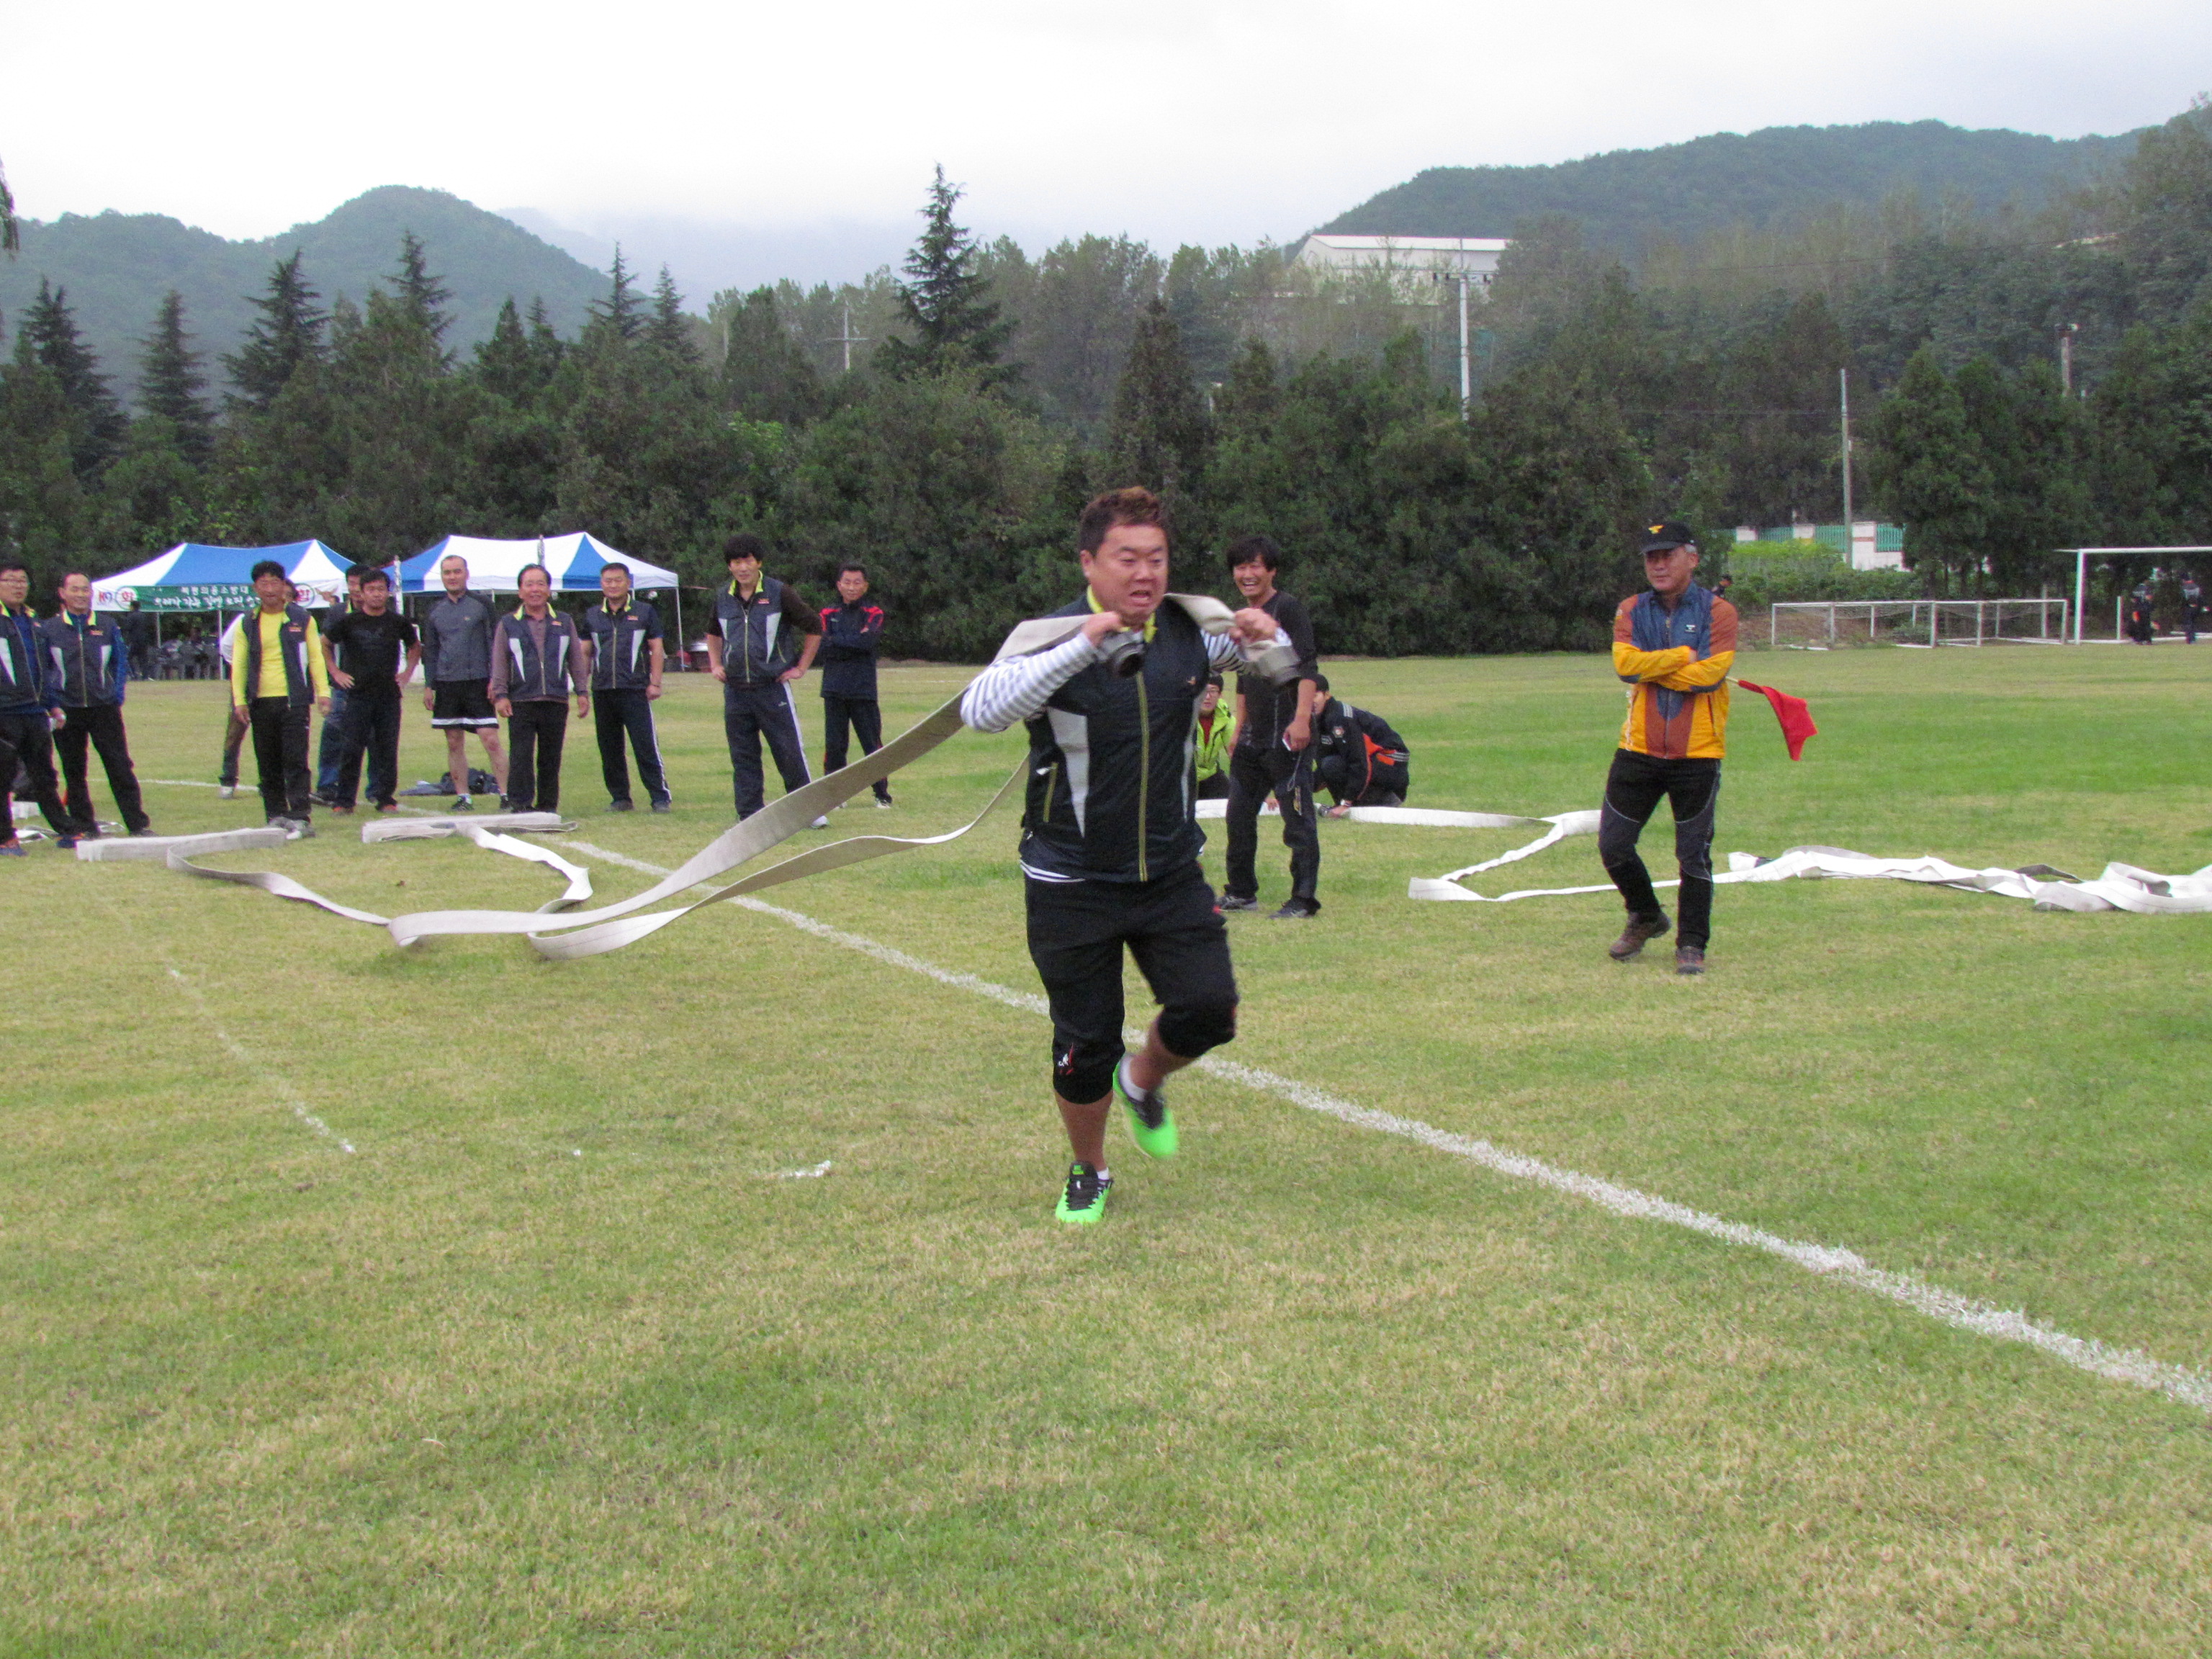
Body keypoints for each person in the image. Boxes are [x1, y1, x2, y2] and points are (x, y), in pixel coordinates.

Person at [959, 486, 1290, 1225]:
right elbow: (980, 711)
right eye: (1127, 559)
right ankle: (1090, 1167)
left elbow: (1274, 663)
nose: (1145, 574)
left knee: (1210, 1010)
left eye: (1157, 559)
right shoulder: (1049, 634)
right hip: (1070, 878)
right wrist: (1083, 644)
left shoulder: (1188, 630)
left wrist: (1263, 635)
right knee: (1084, 1045)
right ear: (1090, 563)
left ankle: (1142, 1081)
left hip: (1169, 872)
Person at [1600, 521, 1738, 976]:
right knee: (1614, 846)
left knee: (1692, 855)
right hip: (1637, 749)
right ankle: (1645, 915)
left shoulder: (1719, 612)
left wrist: (1652, 667)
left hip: (1698, 753)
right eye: (1651, 557)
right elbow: (1625, 667)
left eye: (1668, 555)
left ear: (1692, 559)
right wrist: (1681, 655)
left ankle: (1692, 944)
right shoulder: (1631, 609)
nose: (1658, 565)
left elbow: (1710, 676)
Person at [1219, 534, 1322, 919]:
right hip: (1253, 737)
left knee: (1297, 820)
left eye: (1255, 566)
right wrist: (1238, 728)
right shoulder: (1243, 617)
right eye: (1240, 567)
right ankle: (1240, 892)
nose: (1247, 574)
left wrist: (1301, 719)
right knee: (1238, 816)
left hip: (1288, 733)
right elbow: (1244, 677)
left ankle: (1303, 900)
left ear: (1271, 570)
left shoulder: (1287, 609)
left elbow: (1307, 667)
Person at [706, 533, 824, 824]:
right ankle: (750, 815)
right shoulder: (723, 596)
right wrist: (715, 663)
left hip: (772, 688)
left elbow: (814, 626)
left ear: (758, 562)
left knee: (788, 751)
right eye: (736, 562)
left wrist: (801, 668)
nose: (742, 567)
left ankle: (807, 812)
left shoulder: (779, 592)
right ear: (729, 566)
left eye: (747, 561)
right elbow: (713, 632)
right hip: (736, 690)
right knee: (743, 755)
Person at [40, 572, 150, 839]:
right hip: (67, 710)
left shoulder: (107, 625)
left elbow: (120, 662)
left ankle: (137, 824)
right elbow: (43, 669)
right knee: (74, 770)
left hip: (104, 708)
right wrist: (52, 703)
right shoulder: (49, 629)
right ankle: (84, 826)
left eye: (85, 589)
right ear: (62, 593)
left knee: (119, 765)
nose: (81, 594)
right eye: (75, 589)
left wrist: (116, 695)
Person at [229, 559, 331, 836]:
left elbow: (315, 657)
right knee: (268, 761)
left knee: (295, 759)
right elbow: (239, 663)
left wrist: (323, 692)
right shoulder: (247, 622)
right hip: (261, 701)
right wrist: (239, 700)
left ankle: (300, 814)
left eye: (275, 582)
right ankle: (275, 814)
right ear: (255, 588)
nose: (270, 589)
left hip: (293, 700)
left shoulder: (301, 618)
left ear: (284, 585)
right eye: (264, 584)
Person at [490, 565, 591, 814]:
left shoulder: (564, 621)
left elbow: (576, 658)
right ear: (520, 591)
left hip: (555, 699)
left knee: (551, 757)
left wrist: (582, 692)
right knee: (521, 755)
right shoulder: (508, 623)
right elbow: (499, 661)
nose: (535, 589)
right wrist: (501, 695)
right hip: (521, 699)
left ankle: (547, 805)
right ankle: (520, 804)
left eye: (540, 584)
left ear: (549, 589)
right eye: (529, 584)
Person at [320, 566, 421, 813]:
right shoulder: (349, 621)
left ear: (388, 592)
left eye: (381, 589)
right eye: (371, 590)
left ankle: (385, 798)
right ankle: (344, 801)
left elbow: (415, 646)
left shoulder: (397, 622)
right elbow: (325, 643)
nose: (377, 594)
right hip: (357, 695)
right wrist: (335, 672)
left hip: (388, 695)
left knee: (387, 748)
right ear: (362, 593)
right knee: (351, 749)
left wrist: (407, 672)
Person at [419, 554, 508, 809]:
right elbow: (431, 649)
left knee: (490, 739)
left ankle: (506, 795)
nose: (452, 577)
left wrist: (495, 679)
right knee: (453, 741)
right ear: (442, 576)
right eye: (447, 572)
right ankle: (463, 797)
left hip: (479, 681)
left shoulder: (482, 605)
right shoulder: (435, 610)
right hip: (447, 683)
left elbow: (496, 644)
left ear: (466, 574)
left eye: (457, 571)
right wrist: (429, 685)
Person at [583, 562, 671, 812]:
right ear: (601, 584)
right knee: (609, 748)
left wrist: (655, 682)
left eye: (618, 580)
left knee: (645, 745)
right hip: (603, 690)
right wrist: (581, 688)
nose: (613, 585)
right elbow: (585, 652)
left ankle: (660, 797)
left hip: (635, 689)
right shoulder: (592, 615)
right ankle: (620, 798)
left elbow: (656, 649)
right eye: (608, 581)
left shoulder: (644, 612)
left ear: (628, 583)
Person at [0, 559, 71, 855]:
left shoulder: (33, 621)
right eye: (11, 580)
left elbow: (42, 668)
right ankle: (5, 837)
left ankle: (66, 830)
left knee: (43, 775)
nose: (18, 586)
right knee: (3, 777)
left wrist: (53, 706)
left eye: (23, 581)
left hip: (34, 712)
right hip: (5, 711)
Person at [818, 561, 894, 808]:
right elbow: (823, 646)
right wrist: (852, 641)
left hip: (863, 690)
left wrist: (840, 641)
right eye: (847, 582)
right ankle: (834, 796)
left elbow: (867, 643)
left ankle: (882, 795)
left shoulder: (873, 613)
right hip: (834, 689)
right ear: (839, 585)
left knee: (872, 744)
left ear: (865, 586)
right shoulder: (827, 613)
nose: (851, 587)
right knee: (835, 745)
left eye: (857, 582)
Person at [1310, 675, 1411, 814]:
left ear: (1327, 695)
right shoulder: (1317, 720)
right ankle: (1343, 805)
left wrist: (1346, 803)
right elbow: (1322, 770)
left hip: (1391, 769)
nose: (1310, 702)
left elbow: (1359, 762)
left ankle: (1383, 800)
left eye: (1314, 696)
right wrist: (1295, 792)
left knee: (1333, 764)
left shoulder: (1340, 719)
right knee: (1329, 763)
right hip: (1369, 764)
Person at [313, 565, 367, 803]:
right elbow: (324, 645)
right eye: (351, 583)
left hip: (372, 687)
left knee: (375, 738)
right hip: (343, 686)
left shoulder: (380, 611)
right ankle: (328, 785)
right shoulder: (337, 612)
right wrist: (334, 673)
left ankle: (378, 790)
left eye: (359, 583)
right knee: (333, 734)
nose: (355, 589)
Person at [215, 612, 250, 797]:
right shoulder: (246, 619)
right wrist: (240, 667)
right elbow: (226, 645)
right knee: (235, 732)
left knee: (270, 735)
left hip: (275, 683)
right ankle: (228, 780)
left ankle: (269, 782)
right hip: (246, 683)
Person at [1193, 673, 1235, 800]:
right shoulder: (1182, 716)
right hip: (1183, 777)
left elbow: (1238, 756)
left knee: (1237, 801)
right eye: (1203, 691)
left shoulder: (1226, 718)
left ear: (1220, 694)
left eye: (1213, 691)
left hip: (1211, 775)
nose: (1207, 697)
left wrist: (1259, 796)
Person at [119, 600, 156, 681]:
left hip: (134, 640)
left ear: (132, 607)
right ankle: (145, 676)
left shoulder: (131, 616)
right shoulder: (144, 616)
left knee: (128, 657)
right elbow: (149, 626)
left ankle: (134, 674)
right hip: (144, 640)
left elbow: (127, 627)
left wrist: (121, 628)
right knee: (143, 658)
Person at [2126, 580, 2156, 645]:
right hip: (2145, 609)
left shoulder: (2136, 589)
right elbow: (2148, 597)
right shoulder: (2147, 588)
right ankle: (2148, 640)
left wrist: (2137, 603)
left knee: (2138, 625)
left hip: (2137, 609)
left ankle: (2139, 640)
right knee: (2146, 625)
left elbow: (2132, 600)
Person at [2182, 573, 2203, 645]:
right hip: (2196, 607)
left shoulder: (2184, 587)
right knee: (2193, 623)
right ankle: (2194, 639)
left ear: (2184, 580)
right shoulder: (2197, 587)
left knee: (2188, 623)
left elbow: (2183, 599)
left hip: (2188, 607)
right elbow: (2200, 598)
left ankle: (2190, 639)